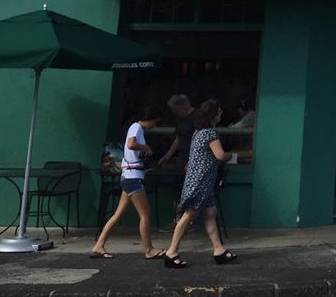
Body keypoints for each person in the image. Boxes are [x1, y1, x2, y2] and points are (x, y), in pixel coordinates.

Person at [163, 99, 238, 268]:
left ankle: (219, 250)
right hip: (201, 182)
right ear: (214, 115)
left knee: (210, 213)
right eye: (219, 112)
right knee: (188, 215)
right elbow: (220, 155)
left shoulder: (198, 132)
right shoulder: (210, 133)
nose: (221, 115)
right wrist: (231, 156)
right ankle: (171, 252)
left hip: (199, 180)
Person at [90, 105, 166, 259]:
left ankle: (99, 244)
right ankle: (149, 249)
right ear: (150, 119)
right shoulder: (136, 127)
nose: (155, 125)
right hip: (133, 178)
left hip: (128, 177)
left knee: (118, 214)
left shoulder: (136, 128)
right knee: (145, 214)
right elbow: (131, 144)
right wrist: (146, 147)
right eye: (155, 122)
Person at [158, 94, 196, 170]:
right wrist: (167, 156)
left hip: (194, 160)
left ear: (182, 107)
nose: (173, 111)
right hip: (182, 158)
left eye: (174, 109)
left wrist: (192, 161)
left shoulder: (198, 117)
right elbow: (178, 138)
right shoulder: (179, 118)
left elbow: (201, 141)